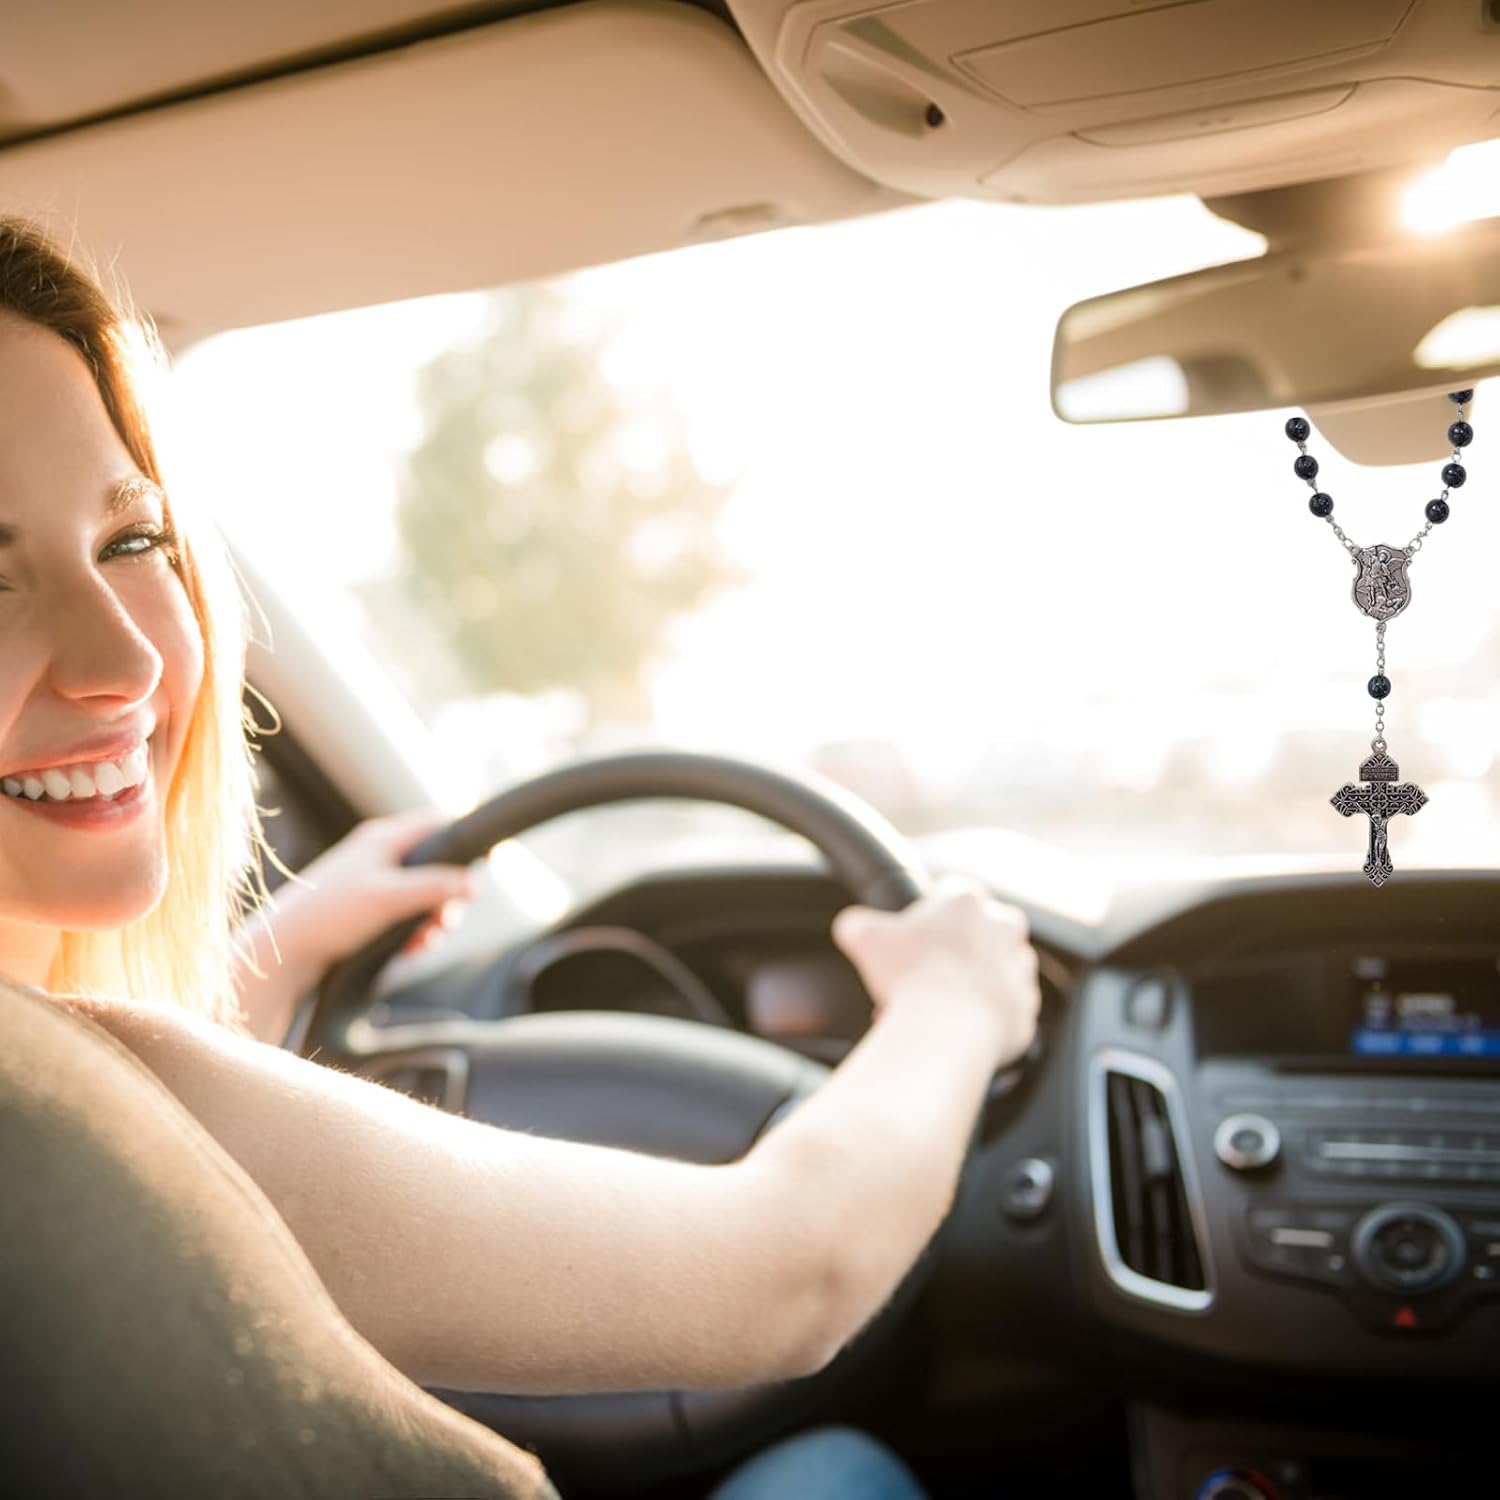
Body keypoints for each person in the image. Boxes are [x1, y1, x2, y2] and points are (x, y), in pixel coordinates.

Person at [0, 218, 1041, 1497]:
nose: (125, 658)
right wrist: (956, 1002)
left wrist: (284, 947)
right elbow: (793, 1272)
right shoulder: (58, 1111)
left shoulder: (94, 1109)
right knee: (838, 1468)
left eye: (131, 541)